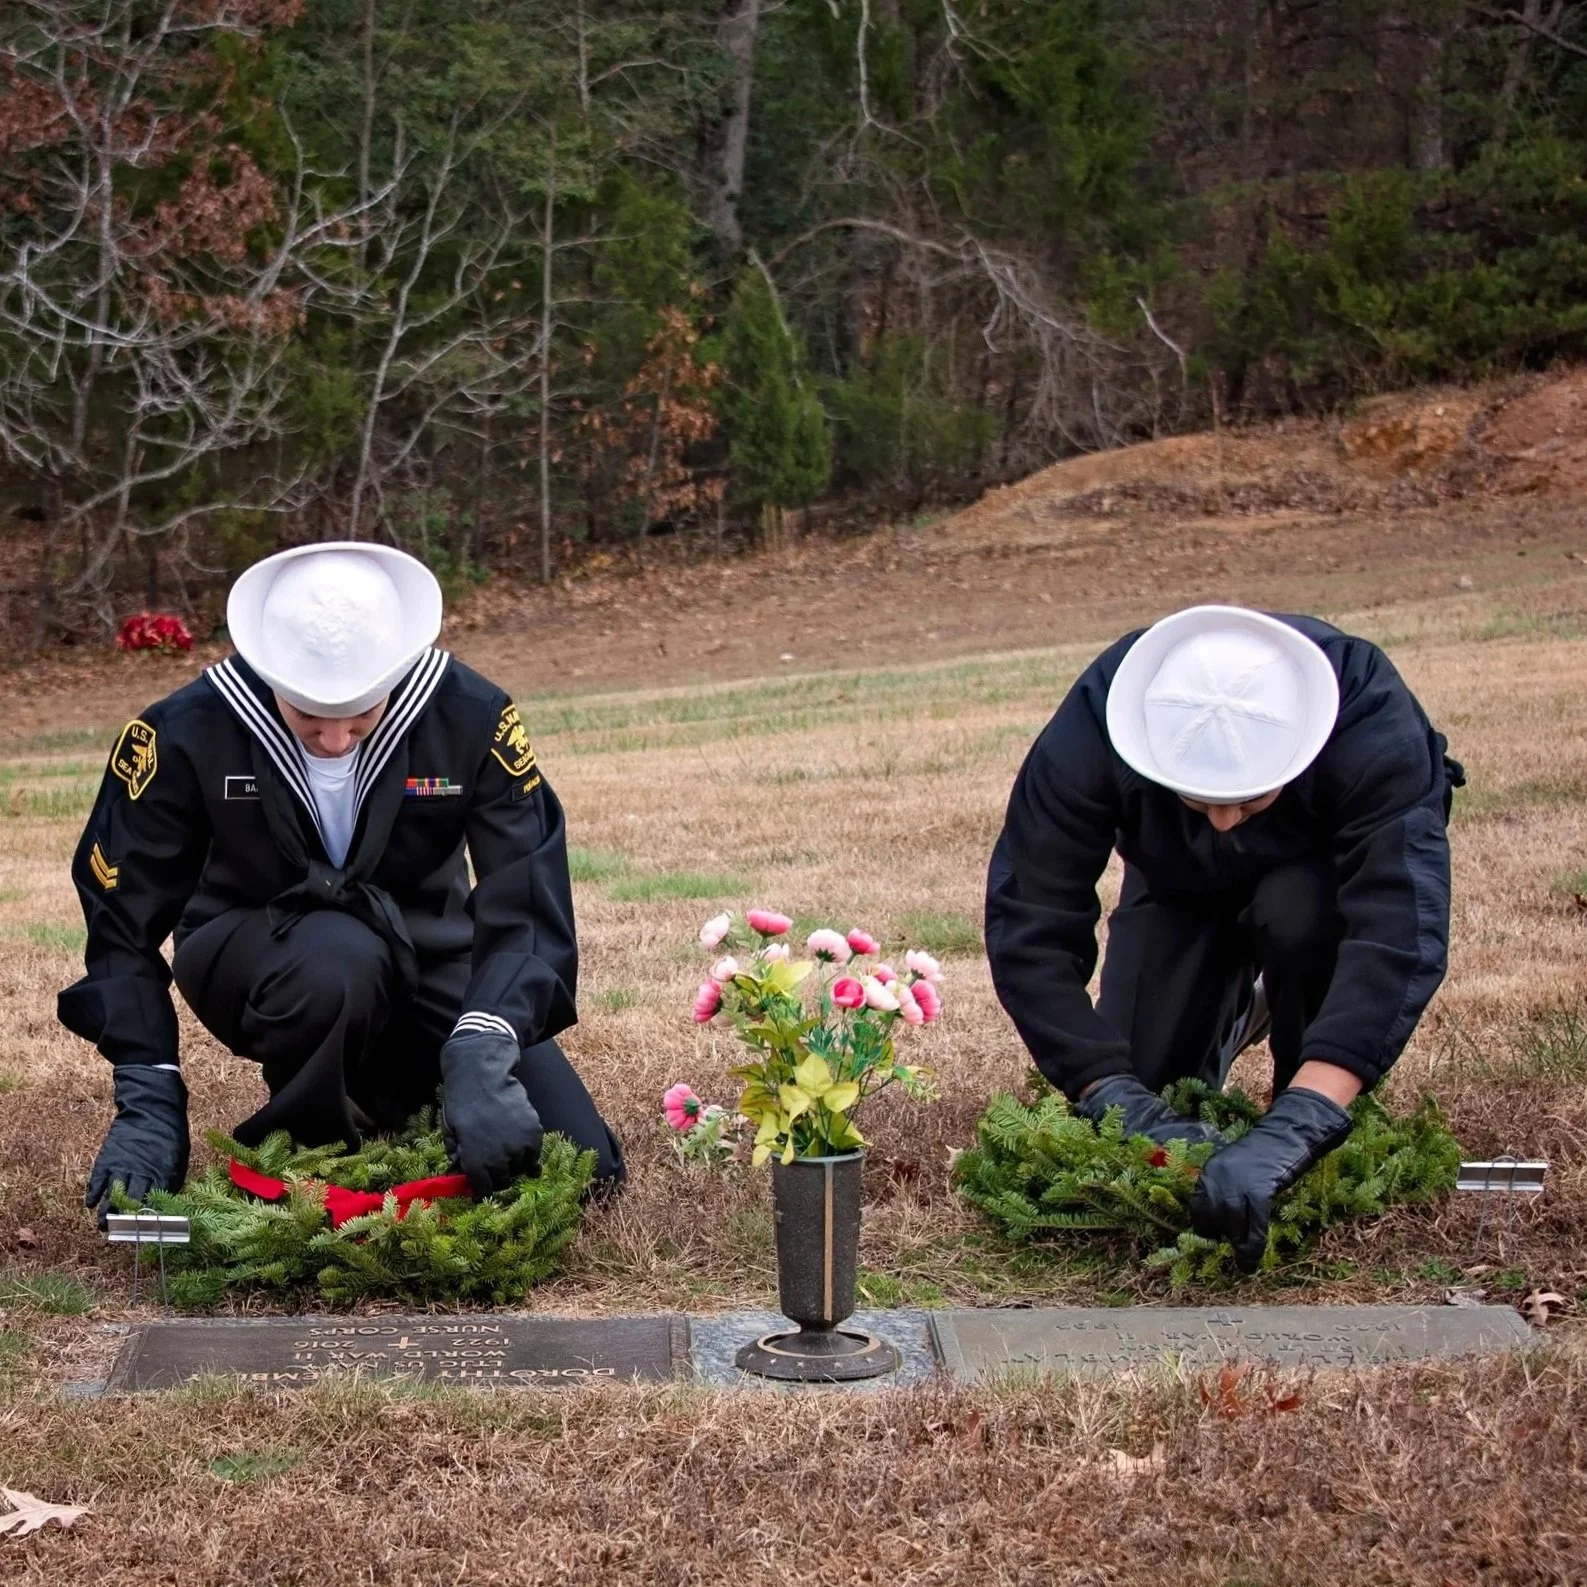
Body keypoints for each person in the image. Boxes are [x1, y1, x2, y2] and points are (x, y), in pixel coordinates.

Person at [61, 542, 624, 1224]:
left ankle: (393, 1091)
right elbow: (121, 918)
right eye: (309, 718)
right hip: (255, 951)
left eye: (361, 716)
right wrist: (148, 1090)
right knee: (336, 957)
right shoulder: (187, 731)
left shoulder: (469, 715)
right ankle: (306, 1146)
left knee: (581, 1165)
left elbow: (527, 901)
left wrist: (487, 1037)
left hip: (429, 953)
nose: (334, 740)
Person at [984, 604, 1461, 1270]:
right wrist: (1107, 1088)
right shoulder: (1095, 724)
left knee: (1297, 912)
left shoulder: (1370, 719)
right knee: (1149, 1080)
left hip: (1316, 886)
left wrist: (1303, 1118)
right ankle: (1235, 1004)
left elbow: (1397, 936)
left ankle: (1296, 1039)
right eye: (1200, 797)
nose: (1227, 820)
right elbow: (1028, 923)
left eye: (1248, 796)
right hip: (1175, 879)